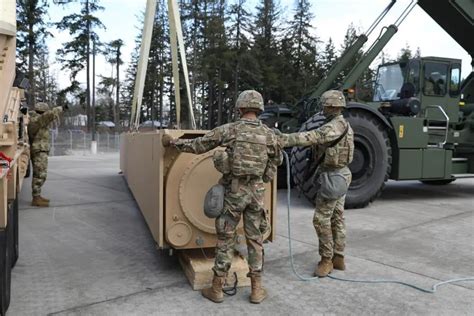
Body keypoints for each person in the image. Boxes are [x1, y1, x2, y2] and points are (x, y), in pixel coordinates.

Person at [162, 90, 282, 304]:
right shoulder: (270, 134)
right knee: (255, 240)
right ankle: (256, 289)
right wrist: (264, 177)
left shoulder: (231, 130)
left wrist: (174, 143)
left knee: (225, 239)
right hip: (257, 193)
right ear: (259, 109)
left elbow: (199, 145)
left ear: (240, 108)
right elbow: (277, 160)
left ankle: (217, 288)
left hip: (234, 192)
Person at [278, 90, 354, 277]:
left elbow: (311, 137)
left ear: (331, 106)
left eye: (325, 106)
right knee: (337, 217)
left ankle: (326, 260)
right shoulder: (344, 124)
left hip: (332, 177)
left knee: (320, 220)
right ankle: (339, 256)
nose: (324, 109)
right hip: (341, 175)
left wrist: (283, 139)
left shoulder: (333, 127)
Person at [28, 102, 63, 207]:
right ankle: (36, 198)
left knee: (39, 173)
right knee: (40, 174)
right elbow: (49, 115)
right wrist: (61, 108)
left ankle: (37, 196)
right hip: (39, 150)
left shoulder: (37, 119)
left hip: (40, 149)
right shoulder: (37, 120)